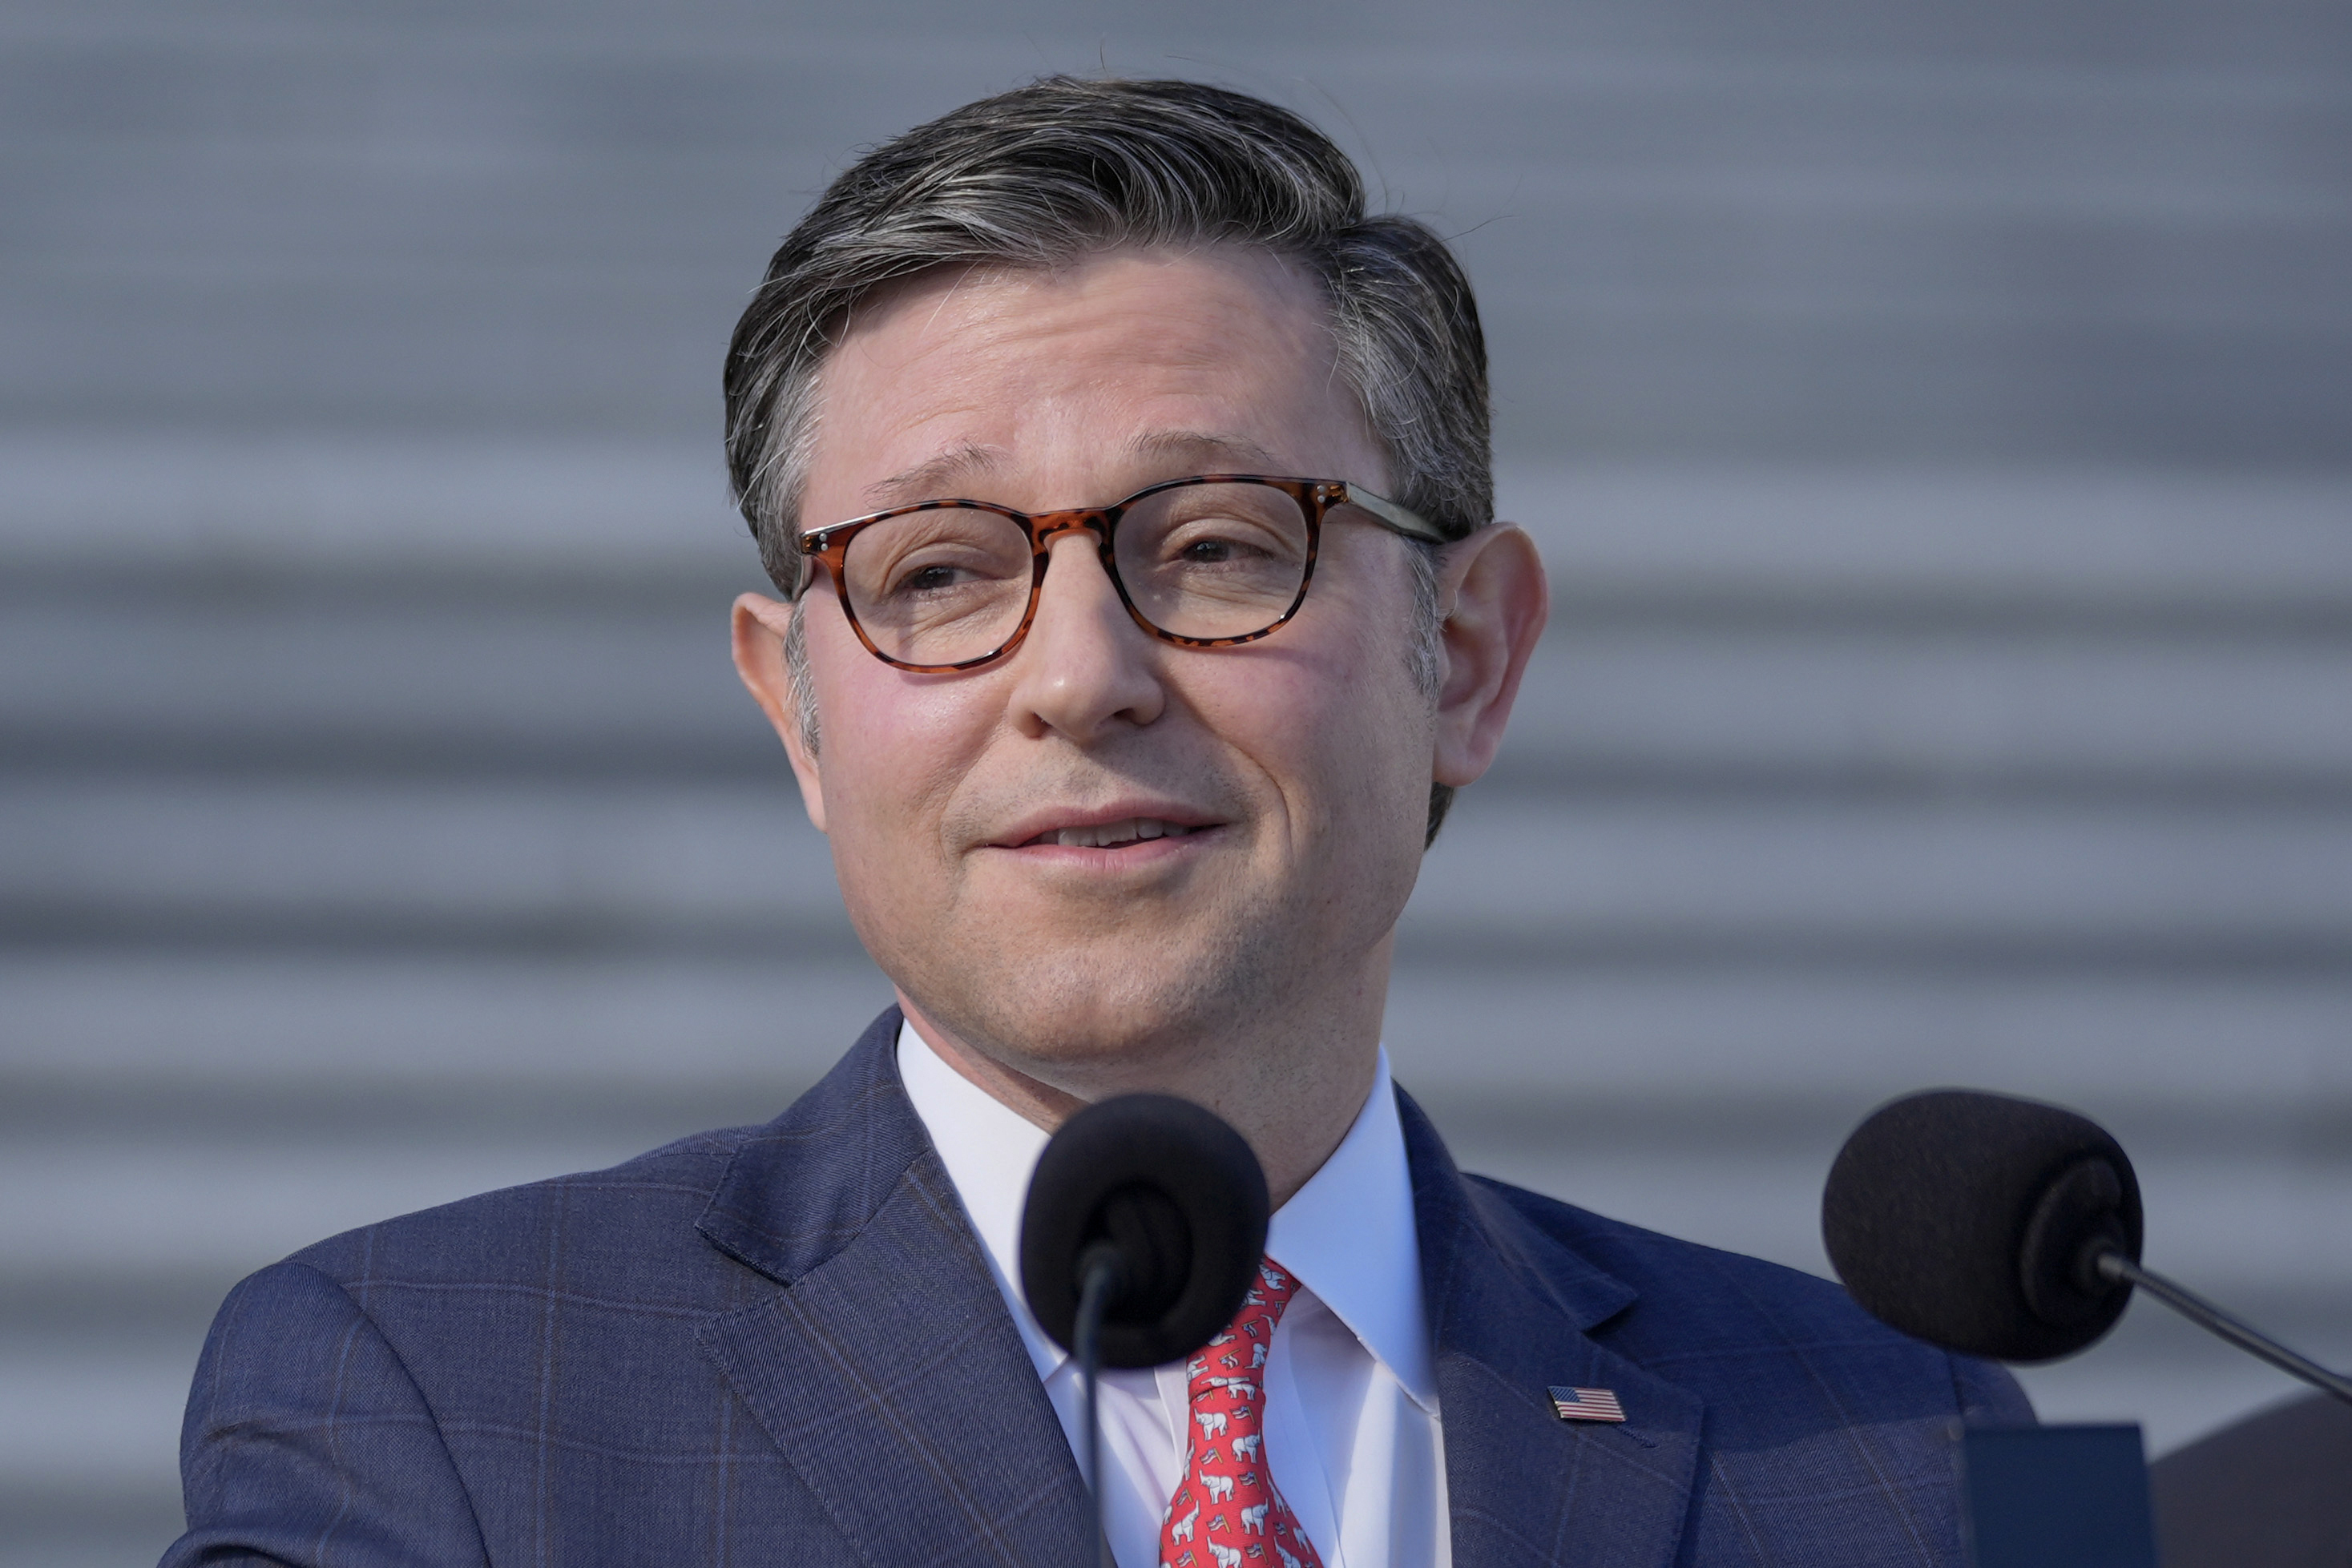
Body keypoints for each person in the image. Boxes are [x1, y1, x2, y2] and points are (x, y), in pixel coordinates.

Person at [163, 77, 2027, 1568]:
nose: (1079, 676)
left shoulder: (1899, 1438)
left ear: (1461, 650)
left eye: (1216, 545)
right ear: (796, 706)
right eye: (940, 570)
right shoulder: (436, 1393)